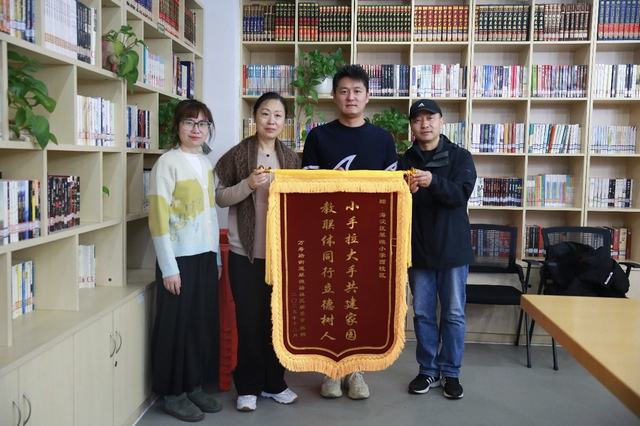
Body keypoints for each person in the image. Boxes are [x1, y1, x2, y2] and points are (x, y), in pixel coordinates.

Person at [302, 64, 398, 400]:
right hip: (327, 234)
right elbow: (306, 190)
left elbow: (392, 193)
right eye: (344, 91)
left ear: (368, 96)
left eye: (357, 91)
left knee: (360, 303)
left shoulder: (383, 139)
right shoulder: (318, 137)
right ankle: (330, 370)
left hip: (367, 237)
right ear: (334, 96)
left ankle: (356, 370)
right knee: (328, 302)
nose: (351, 97)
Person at [214, 92, 301, 412]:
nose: (271, 121)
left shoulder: (291, 159)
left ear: (285, 121)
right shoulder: (238, 155)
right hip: (245, 254)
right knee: (249, 322)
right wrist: (248, 184)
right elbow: (220, 197)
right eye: (265, 113)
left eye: (278, 115)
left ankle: (274, 383)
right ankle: (248, 386)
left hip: (281, 256)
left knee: (276, 322)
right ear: (255, 117)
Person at [148, 99, 223, 422]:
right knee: (175, 328)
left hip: (204, 256)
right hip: (178, 259)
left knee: (198, 326)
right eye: (189, 122)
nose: (196, 129)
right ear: (177, 126)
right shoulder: (167, 163)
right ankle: (172, 393)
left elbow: (210, 215)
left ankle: (193, 385)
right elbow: (158, 219)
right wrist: (169, 268)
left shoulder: (206, 163)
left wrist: (216, 258)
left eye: (202, 123)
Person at [400, 99, 477, 400]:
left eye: (430, 117)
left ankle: (451, 372)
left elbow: (460, 194)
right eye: (418, 119)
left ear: (441, 121)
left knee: (454, 314)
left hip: (453, 251)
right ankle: (428, 370)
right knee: (422, 314)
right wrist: (407, 193)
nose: (424, 124)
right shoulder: (405, 161)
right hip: (419, 251)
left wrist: (433, 181)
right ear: (412, 126)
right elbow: (395, 205)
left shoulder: (460, 157)